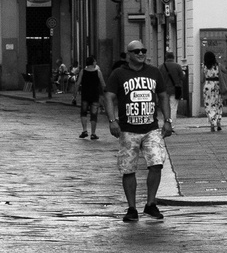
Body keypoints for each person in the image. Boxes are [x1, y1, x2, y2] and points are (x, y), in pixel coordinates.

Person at [105, 40, 174, 222]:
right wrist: (112, 121)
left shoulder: (154, 72)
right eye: (137, 51)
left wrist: (167, 120)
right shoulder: (119, 74)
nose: (141, 54)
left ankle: (150, 204)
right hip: (128, 130)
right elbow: (109, 96)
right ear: (129, 54)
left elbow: (163, 96)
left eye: (143, 50)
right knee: (128, 169)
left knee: (157, 163)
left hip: (151, 128)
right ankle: (132, 208)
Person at [78, 54, 106, 139]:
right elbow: (103, 84)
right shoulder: (98, 72)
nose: (96, 63)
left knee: (83, 113)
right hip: (94, 95)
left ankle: (84, 130)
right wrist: (105, 95)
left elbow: (77, 83)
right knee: (94, 115)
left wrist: (74, 96)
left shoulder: (83, 71)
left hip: (85, 95)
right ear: (93, 63)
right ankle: (93, 133)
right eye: (95, 61)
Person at [161, 49, 187, 122]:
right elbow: (182, 77)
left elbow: (158, 79)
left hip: (164, 90)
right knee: (173, 107)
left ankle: (165, 122)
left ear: (166, 57)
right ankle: (171, 124)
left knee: (165, 107)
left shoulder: (161, 66)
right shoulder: (177, 66)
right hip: (175, 90)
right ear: (173, 57)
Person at [201, 50, 224, 132]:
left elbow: (202, 80)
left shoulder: (204, 66)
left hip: (208, 86)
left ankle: (212, 124)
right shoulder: (218, 65)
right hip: (216, 86)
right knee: (218, 104)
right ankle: (218, 122)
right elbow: (225, 71)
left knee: (209, 105)